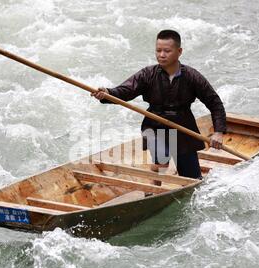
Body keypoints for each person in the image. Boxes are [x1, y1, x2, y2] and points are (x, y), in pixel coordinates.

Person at [91, 29, 226, 179]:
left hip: (184, 126)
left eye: (167, 51)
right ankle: (153, 189)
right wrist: (107, 93)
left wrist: (218, 132)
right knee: (161, 161)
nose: (161, 55)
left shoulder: (192, 77)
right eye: (158, 50)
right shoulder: (147, 74)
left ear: (179, 51)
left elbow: (215, 103)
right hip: (155, 124)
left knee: (193, 178)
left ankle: (175, 179)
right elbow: (125, 91)